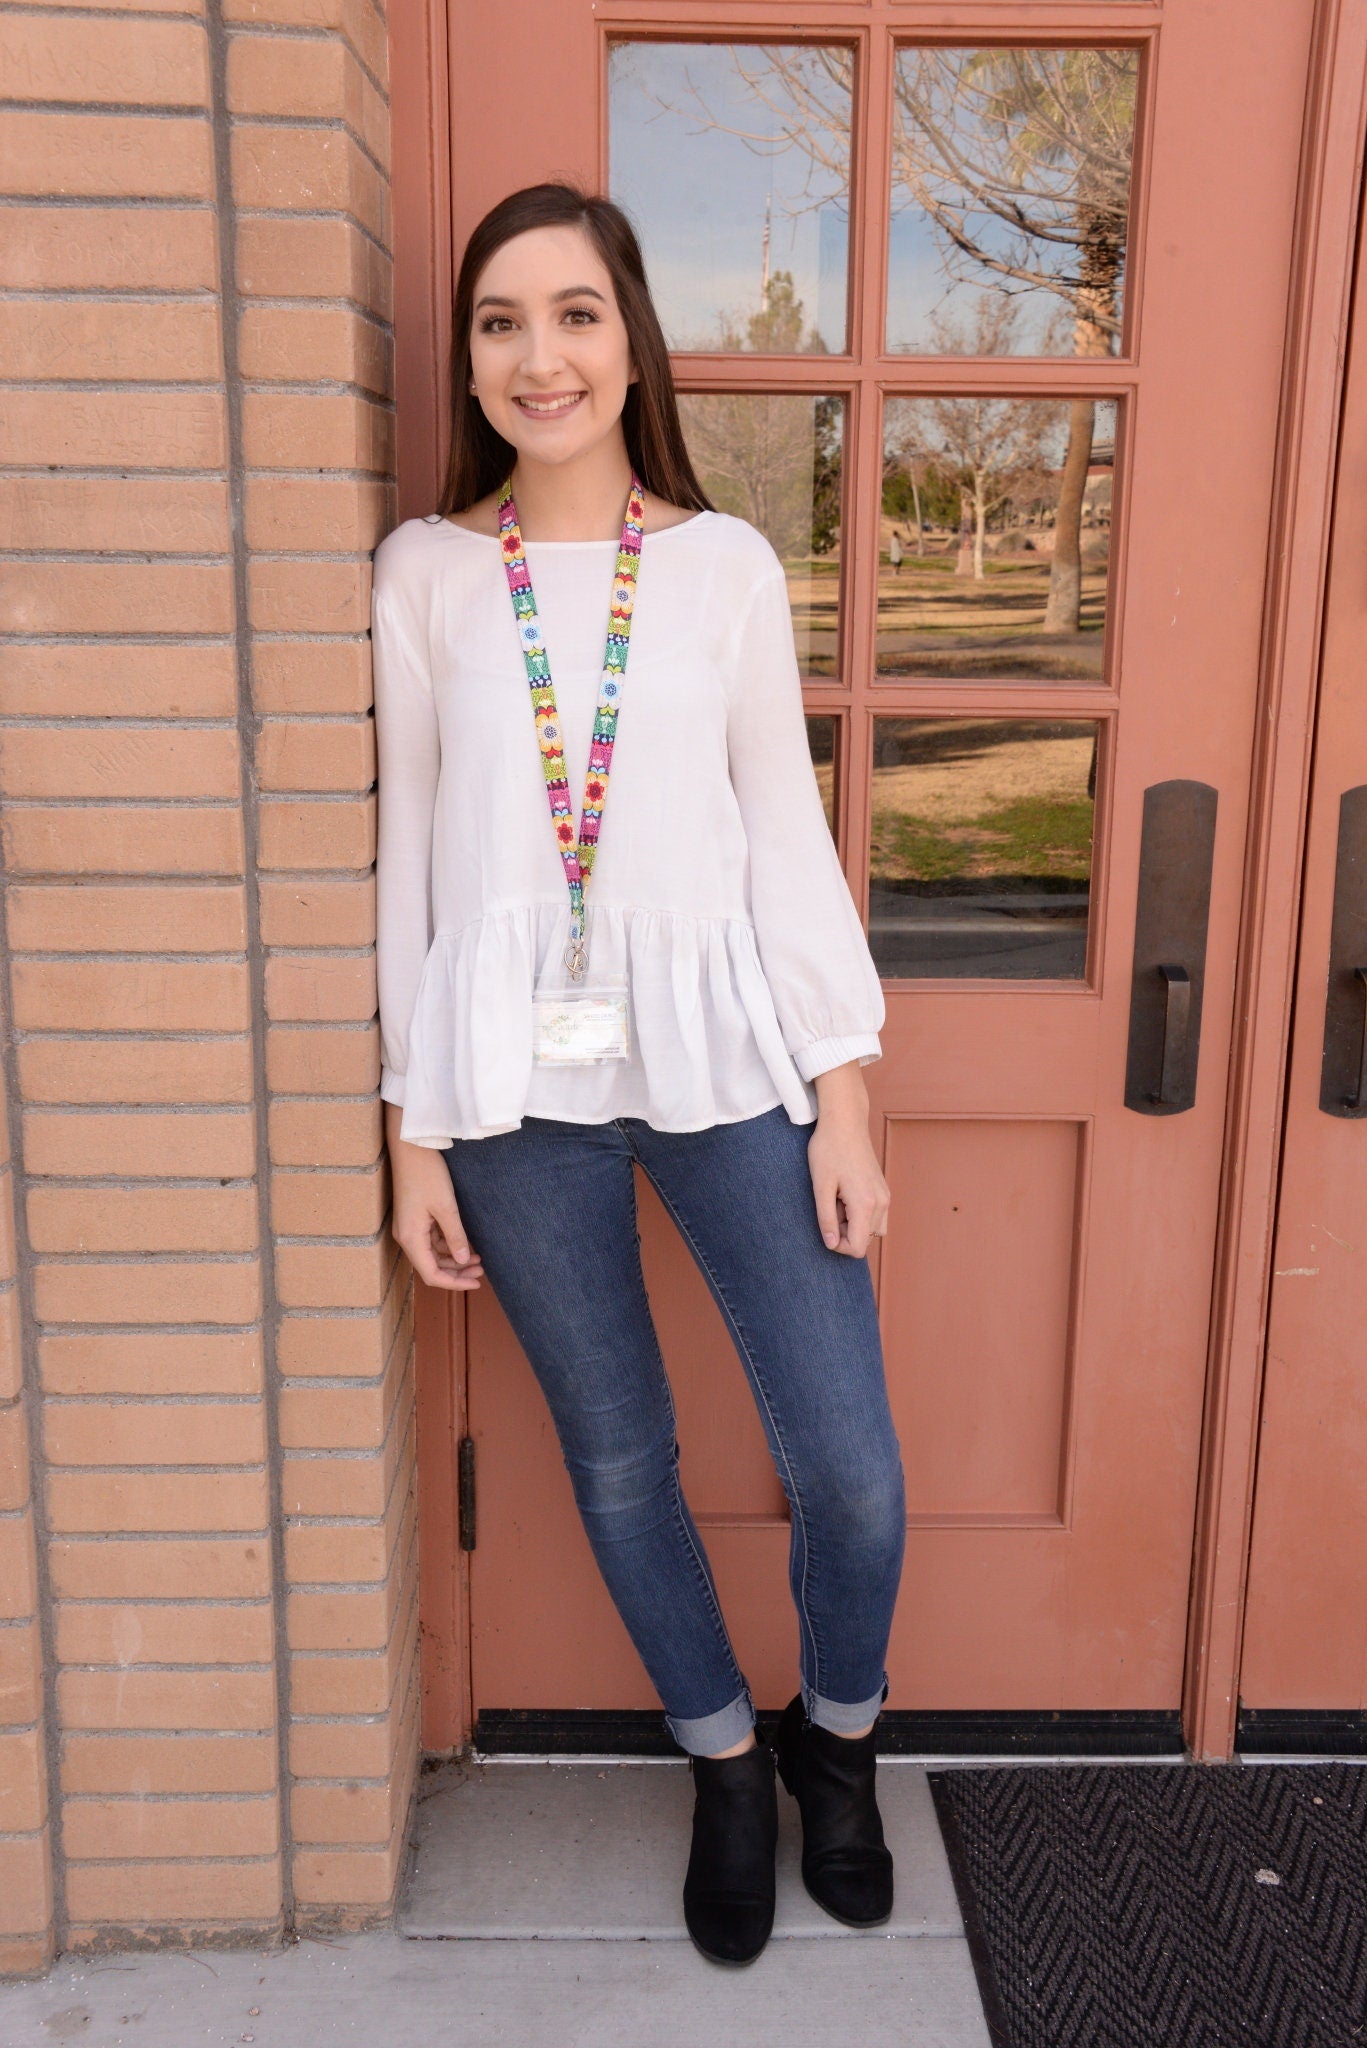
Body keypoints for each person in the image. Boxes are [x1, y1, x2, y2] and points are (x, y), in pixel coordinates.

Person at [372, 181, 907, 1969]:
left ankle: (840, 1746)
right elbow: (410, 863)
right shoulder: (429, 575)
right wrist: (413, 1129)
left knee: (853, 1469)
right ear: (470, 357)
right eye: (502, 321)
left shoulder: (727, 566)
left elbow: (786, 832)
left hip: (724, 1054)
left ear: (630, 339)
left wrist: (844, 1092)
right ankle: (725, 1768)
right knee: (620, 1463)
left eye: (576, 314)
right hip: (512, 1088)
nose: (541, 356)